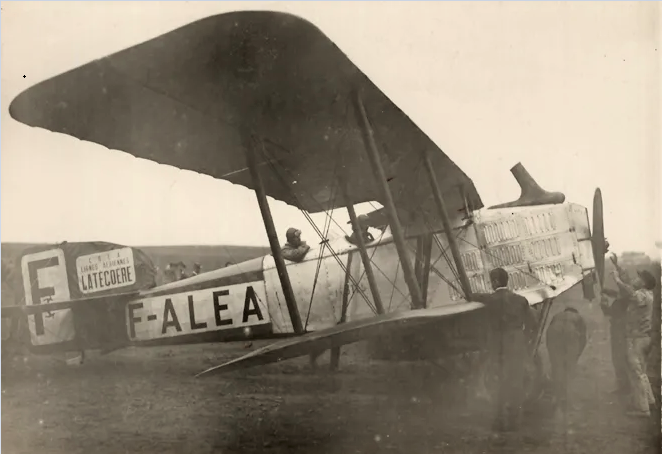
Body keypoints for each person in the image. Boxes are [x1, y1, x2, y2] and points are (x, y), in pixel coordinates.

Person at [471, 268, 538, 434]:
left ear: (495, 282)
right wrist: (524, 340)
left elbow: (473, 296)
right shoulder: (521, 300)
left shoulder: (489, 300)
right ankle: (514, 423)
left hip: (498, 345)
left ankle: (499, 422)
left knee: (499, 383)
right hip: (516, 344)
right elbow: (533, 324)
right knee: (516, 383)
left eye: (491, 281)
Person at [613, 266, 656, 418]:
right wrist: (620, 270)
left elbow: (629, 291)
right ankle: (650, 401)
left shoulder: (642, 295)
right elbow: (630, 288)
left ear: (643, 282)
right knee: (642, 371)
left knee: (636, 372)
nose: (635, 279)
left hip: (637, 338)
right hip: (643, 338)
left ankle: (643, 409)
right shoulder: (646, 294)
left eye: (639, 278)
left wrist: (617, 279)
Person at [545, 306, 587, 421]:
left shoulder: (557, 316)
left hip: (554, 332)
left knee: (557, 368)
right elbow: (583, 339)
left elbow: (548, 336)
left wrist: (552, 356)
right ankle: (568, 400)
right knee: (569, 369)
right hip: (571, 332)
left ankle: (556, 398)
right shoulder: (578, 317)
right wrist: (576, 356)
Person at [600, 286, 631, 395]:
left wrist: (603, 303)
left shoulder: (620, 303)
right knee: (622, 359)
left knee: (618, 359)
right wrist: (607, 291)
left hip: (619, 333)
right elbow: (616, 293)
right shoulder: (626, 299)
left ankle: (623, 387)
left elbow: (608, 312)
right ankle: (625, 385)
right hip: (623, 332)